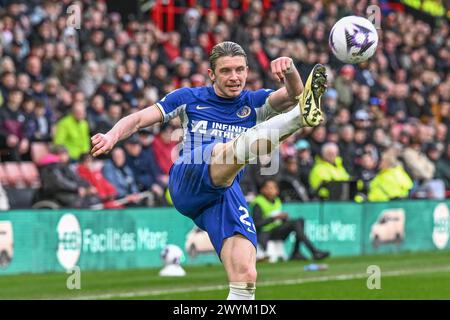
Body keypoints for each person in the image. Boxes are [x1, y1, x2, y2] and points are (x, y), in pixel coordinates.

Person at [91, 42, 327, 300]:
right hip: (187, 179)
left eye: (240, 70)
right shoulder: (188, 98)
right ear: (211, 74)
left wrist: (291, 70)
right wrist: (112, 136)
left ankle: (297, 118)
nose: (234, 77)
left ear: (247, 71)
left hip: (222, 191)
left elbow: (295, 96)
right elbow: (137, 120)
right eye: (226, 71)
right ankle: (296, 120)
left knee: (246, 276)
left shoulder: (255, 102)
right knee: (219, 149)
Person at [251, 178, 329, 260]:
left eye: (274, 187)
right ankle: (312, 251)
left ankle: (297, 252)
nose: (272, 190)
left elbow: (277, 220)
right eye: (269, 188)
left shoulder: (277, 200)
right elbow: (256, 224)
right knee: (296, 223)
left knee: (299, 221)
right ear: (262, 190)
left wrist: (283, 218)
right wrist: (274, 218)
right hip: (264, 234)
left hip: (276, 230)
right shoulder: (258, 203)